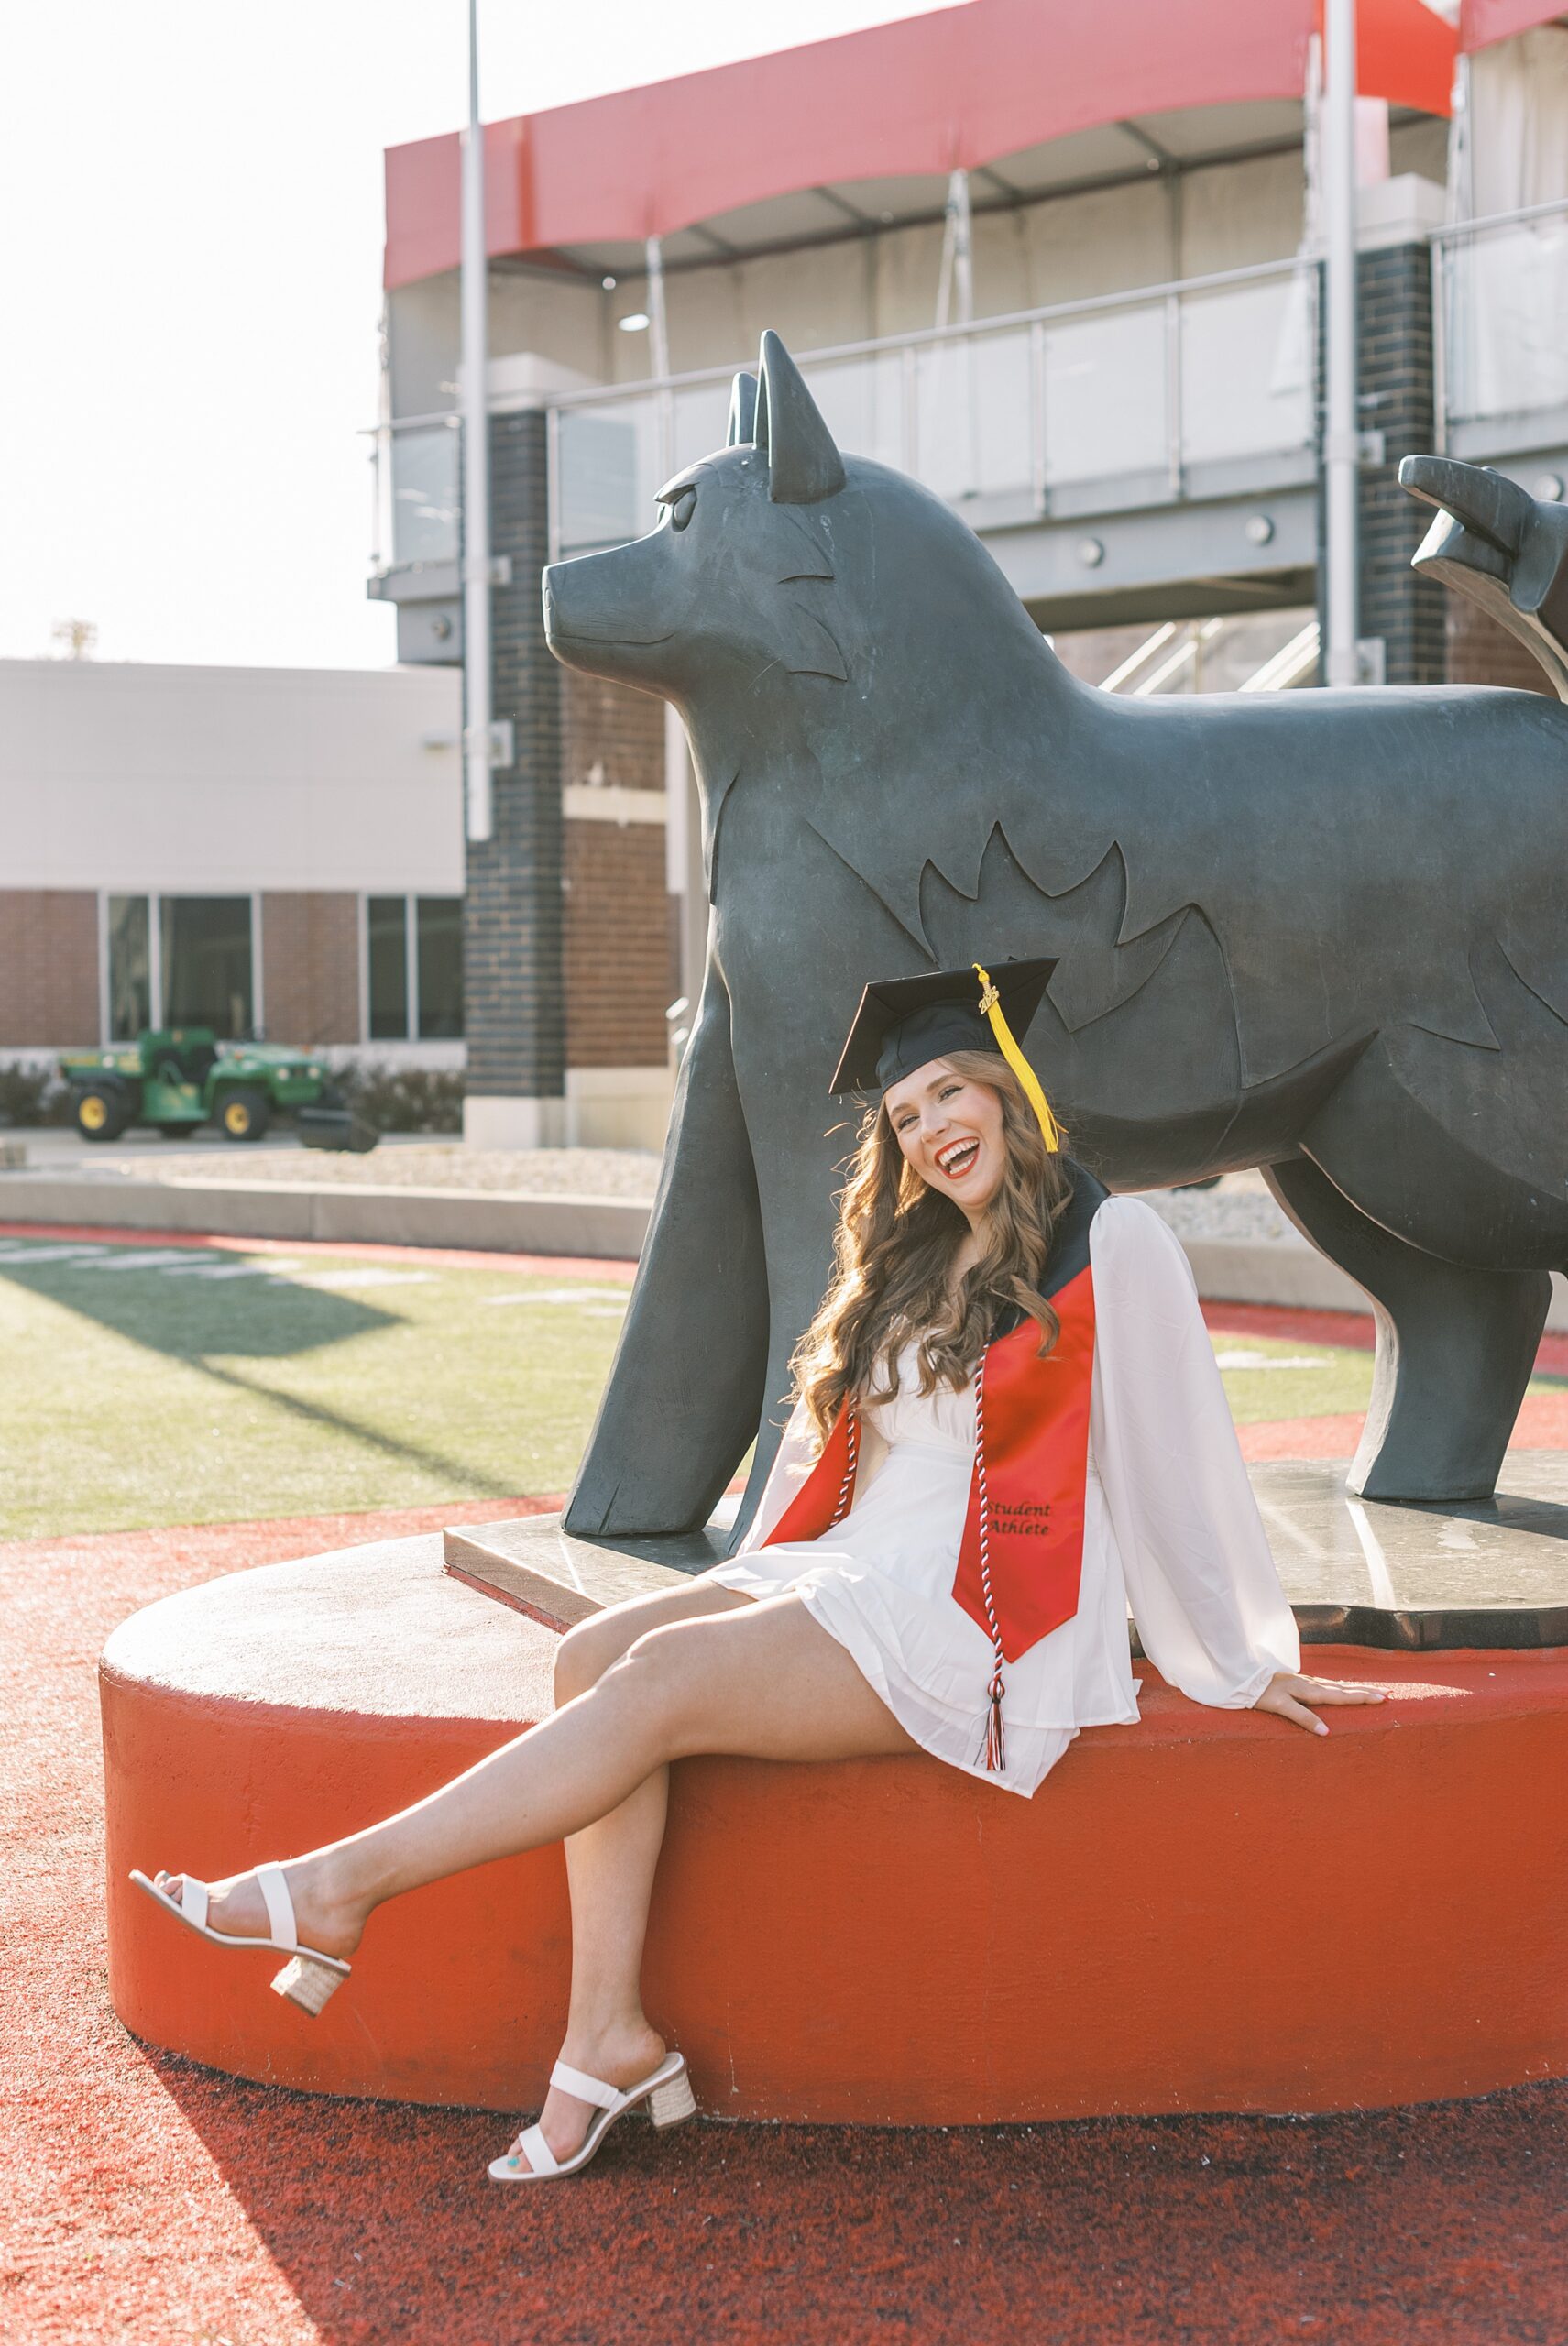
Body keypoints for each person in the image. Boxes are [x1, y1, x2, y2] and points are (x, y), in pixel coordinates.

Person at [132, 957, 1383, 2182]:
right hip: (858, 1567)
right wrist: (750, 1581)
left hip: (983, 1608)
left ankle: (338, 1886)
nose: (932, 1130)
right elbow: (829, 1463)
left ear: (1006, 1090)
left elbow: (1175, 1453)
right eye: (905, 1116)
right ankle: (605, 2037)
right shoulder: (910, 1257)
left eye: (950, 1092)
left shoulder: (1112, 1242)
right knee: (591, 1657)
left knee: (659, 1677)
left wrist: (1235, 1656)